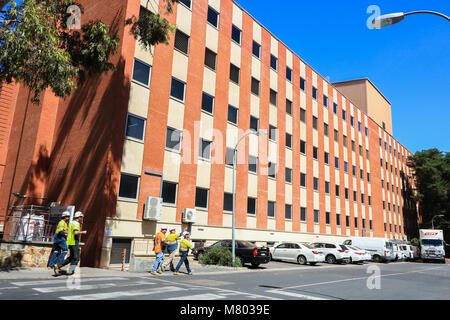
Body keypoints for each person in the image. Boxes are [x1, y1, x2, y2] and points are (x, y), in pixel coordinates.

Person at [60, 211, 86, 275]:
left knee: (71, 257)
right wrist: (83, 232)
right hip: (74, 242)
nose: (82, 218)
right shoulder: (76, 224)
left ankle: (58, 266)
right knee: (76, 258)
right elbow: (75, 232)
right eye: (82, 217)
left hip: (70, 242)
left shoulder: (71, 223)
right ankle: (70, 271)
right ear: (79, 217)